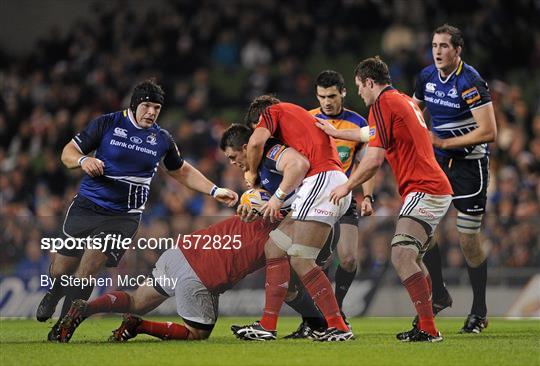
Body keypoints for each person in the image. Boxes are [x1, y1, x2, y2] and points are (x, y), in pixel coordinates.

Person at [37, 80, 238, 341]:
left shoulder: (161, 139)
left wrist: (214, 190)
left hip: (124, 216)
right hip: (88, 205)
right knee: (62, 268)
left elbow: (181, 170)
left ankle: (64, 326)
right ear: (134, 105)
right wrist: (83, 160)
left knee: (88, 268)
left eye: (157, 107)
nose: (152, 112)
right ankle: (54, 290)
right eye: (146, 106)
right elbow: (68, 152)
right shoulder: (107, 123)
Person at [330, 56, 453, 342]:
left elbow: (373, 160)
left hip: (426, 188)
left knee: (400, 254)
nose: (359, 93)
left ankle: (429, 327)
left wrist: (347, 186)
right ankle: (432, 310)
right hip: (430, 187)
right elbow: (369, 135)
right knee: (414, 259)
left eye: (360, 86)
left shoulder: (382, 104)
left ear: (370, 82)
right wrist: (334, 131)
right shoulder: (401, 100)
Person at [232, 96, 353, 342]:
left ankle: (338, 326)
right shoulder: (296, 119)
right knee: (274, 246)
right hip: (328, 181)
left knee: (300, 258)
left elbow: (256, 143)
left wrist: (253, 174)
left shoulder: (273, 112)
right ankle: (268, 324)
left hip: (323, 179)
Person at [410, 24, 497, 334]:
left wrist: (444, 142)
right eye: (434, 45)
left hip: (469, 166)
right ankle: (440, 294)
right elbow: (414, 112)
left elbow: (489, 132)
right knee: (422, 228)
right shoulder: (426, 77)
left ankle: (479, 311)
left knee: (467, 241)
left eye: (444, 46)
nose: (437, 51)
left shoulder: (470, 81)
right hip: (437, 164)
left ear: (457, 50)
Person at [309, 70, 375, 324]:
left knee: (348, 259)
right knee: (316, 261)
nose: (326, 101)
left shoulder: (359, 124)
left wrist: (368, 196)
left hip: (344, 198)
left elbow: (367, 164)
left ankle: (337, 308)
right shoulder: (306, 119)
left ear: (343, 93)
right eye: (322, 96)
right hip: (313, 200)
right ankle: (319, 316)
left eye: (332, 96)